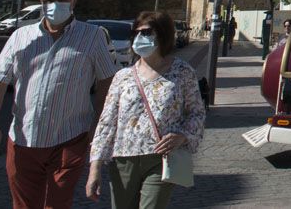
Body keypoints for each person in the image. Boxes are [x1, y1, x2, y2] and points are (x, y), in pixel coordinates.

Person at [0, 0, 117, 208]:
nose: (55, 5)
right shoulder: (21, 37)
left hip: (69, 138)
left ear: (74, 1)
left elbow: (107, 83)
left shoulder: (93, 36)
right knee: (24, 205)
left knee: (56, 203)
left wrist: (97, 126)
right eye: (49, 0)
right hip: (23, 138)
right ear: (41, 0)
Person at [87, 11, 206, 208]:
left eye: (147, 32)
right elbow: (106, 122)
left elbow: (197, 112)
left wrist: (183, 136)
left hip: (161, 158)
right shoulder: (122, 77)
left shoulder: (182, 72)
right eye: (137, 33)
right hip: (123, 159)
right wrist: (94, 169)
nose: (140, 38)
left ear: (163, 35)